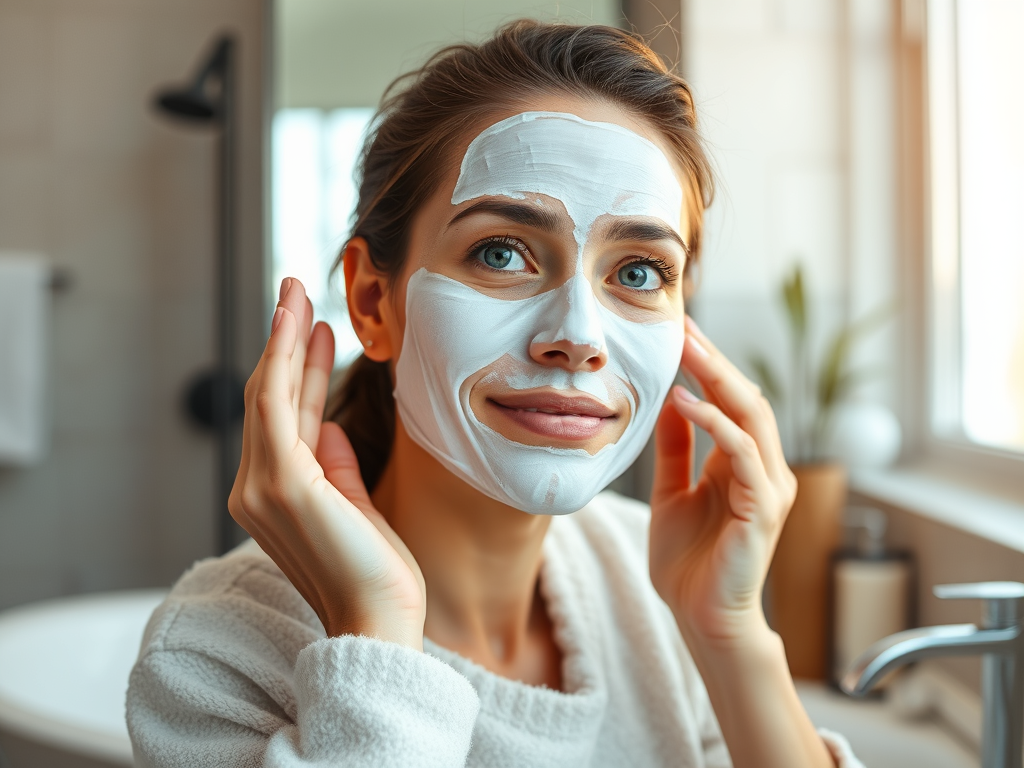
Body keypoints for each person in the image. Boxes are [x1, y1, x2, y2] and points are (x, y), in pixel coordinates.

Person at [127, 20, 863, 768]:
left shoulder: (649, 585)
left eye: (639, 272)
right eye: (501, 252)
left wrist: (728, 631)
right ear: (374, 303)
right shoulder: (211, 657)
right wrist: (375, 629)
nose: (580, 337)